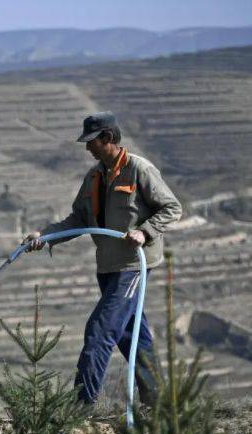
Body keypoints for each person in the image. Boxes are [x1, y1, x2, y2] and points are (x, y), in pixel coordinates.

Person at [22, 111, 182, 406]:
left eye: (91, 142)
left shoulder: (139, 169)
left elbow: (172, 208)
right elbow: (78, 219)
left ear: (107, 138)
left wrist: (144, 232)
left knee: (99, 331)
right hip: (107, 267)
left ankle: (81, 408)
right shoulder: (94, 176)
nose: (87, 148)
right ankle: (160, 405)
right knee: (133, 335)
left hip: (133, 267)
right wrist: (44, 236)